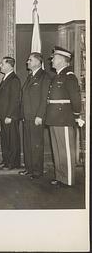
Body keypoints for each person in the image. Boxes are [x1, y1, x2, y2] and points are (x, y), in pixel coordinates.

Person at [46, 46, 82, 187]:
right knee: (57, 149)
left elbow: (75, 99)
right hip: (54, 117)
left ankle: (68, 180)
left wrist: (76, 115)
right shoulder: (58, 76)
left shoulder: (69, 76)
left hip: (64, 117)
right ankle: (60, 177)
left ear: (61, 60)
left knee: (65, 149)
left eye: (54, 58)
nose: (52, 61)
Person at [19, 53, 51, 179]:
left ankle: (37, 171)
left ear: (38, 62)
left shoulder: (44, 77)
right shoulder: (31, 76)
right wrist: (23, 114)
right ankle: (29, 168)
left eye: (30, 60)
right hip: (27, 116)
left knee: (36, 144)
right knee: (28, 144)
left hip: (36, 117)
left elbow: (44, 99)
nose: (27, 62)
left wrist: (40, 116)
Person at [0, 56, 21, 170]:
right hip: (3, 116)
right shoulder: (6, 78)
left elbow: (15, 100)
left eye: (2, 64)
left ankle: (13, 163)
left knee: (12, 140)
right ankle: (6, 161)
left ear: (9, 65)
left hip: (9, 116)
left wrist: (10, 115)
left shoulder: (14, 79)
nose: (0, 65)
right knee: (5, 139)